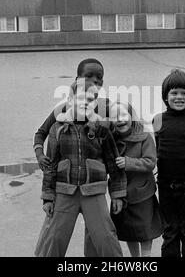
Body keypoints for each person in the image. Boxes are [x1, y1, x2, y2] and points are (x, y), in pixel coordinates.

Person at [34, 81, 127, 257]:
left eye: (91, 100)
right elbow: (51, 164)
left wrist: (117, 194)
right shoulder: (58, 128)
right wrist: (47, 197)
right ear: (70, 100)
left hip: (94, 191)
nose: (86, 102)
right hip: (64, 191)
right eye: (81, 98)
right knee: (53, 239)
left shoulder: (101, 130)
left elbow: (113, 162)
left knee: (106, 239)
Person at [152, 69, 185, 257]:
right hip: (166, 185)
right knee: (170, 232)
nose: (179, 97)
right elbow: (158, 151)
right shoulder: (158, 120)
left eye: (184, 93)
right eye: (174, 93)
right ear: (166, 96)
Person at [108, 102, 164, 257]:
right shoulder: (111, 138)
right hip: (122, 192)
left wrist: (128, 162)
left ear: (132, 116)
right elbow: (110, 168)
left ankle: (146, 257)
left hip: (142, 192)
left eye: (124, 115)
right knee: (128, 230)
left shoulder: (144, 136)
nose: (120, 120)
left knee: (145, 229)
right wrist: (114, 194)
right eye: (114, 117)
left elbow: (150, 162)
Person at [33, 58, 109, 171]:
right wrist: (40, 155)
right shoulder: (62, 109)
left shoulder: (106, 107)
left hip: (93, 179)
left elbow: (124, 131)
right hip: (68, 178)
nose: (95, 80)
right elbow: (41, 133)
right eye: (89, 76)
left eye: (99, 77)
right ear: (78, 79)